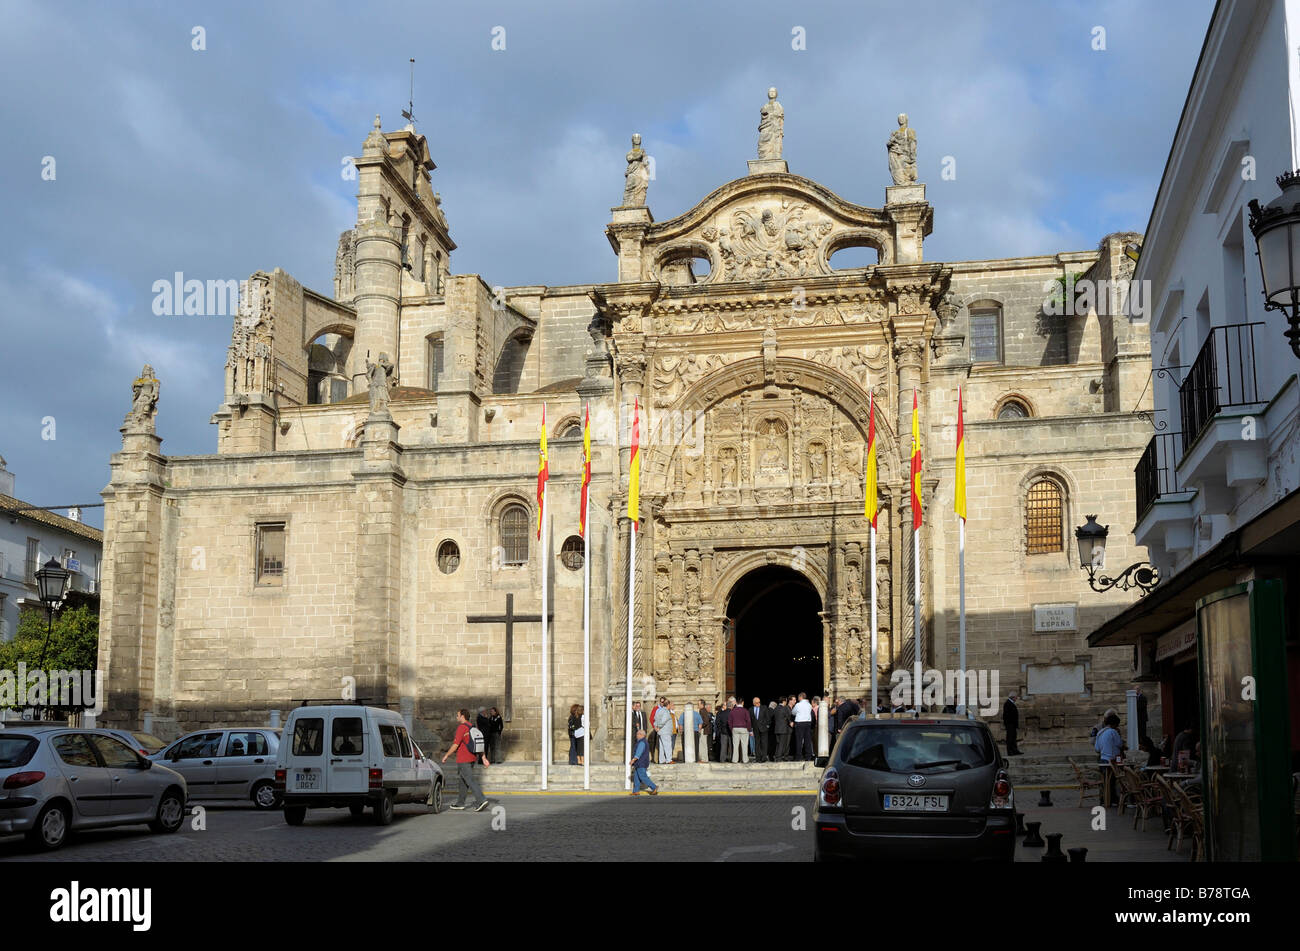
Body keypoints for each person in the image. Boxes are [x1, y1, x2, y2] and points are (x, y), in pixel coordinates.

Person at [442, 708, 492, 812]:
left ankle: (481, 800)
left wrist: (446, 755)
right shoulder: (472, 727)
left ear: (462, 716)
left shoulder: (461, 728)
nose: (456, 717)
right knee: (463, 781)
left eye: (457, 715)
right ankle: (460, 803)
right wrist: (483, 757)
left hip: (463, 759)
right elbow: (479, 743)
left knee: (469, 779)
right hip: (472, 758)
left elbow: (455, 745)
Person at [629, 729, 658, 796]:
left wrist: (633, 760)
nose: (636, 735)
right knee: (636, 777)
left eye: (637, 734)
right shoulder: (642, 742)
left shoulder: (641, 743)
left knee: (642, 776)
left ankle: (654, 787)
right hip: (639, 763)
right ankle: (636, 791)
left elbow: (638, 753)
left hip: (641, 763)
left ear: (641, 735)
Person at [728, 697, 753, 763]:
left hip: (735, 728)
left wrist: (732, 729)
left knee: (735, 745)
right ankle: (745, 760)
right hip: (744, 729)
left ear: (736, 703)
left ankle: (735, 760)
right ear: (743, 703)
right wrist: (750, 730)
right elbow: (748, 721)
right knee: (744, 745)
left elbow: (729, 721)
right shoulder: (745, 711)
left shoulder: (732, 711)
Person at [793, 692, 814, 760]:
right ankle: (808, 756)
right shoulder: (809, 705)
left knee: (799, 740)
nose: (798, 698)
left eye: (798, 697)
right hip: (807, 723)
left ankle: (798, 756)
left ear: (801, 697)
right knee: (807, 740)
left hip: (799, 724)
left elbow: (793, 712)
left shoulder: (798, 705)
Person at [653, 699, 673, 766]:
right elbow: (663, 721)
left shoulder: (659, 710)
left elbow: (655, 718)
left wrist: (656, 726)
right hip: (665, 731)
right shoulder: (666, 712)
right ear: (668, 705)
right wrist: (658, 727)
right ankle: (669, 760)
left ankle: (662, 760)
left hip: (661, 732)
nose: (671, 706)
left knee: (661, 747)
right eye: (671, 704)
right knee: (667, 745)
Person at [773, 695, 793, 761]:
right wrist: (790, 722)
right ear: (784, 701)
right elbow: (788, 717)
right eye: (786, 701)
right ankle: (779, 758)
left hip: (776, 729)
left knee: (778, 744)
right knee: (782, 744)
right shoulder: (784, 708)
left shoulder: (775, 708)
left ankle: (776, 756)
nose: (786, 703)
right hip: (783, 729)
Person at [755, 697, 773, 762]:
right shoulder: (751, 709)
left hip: (764, 729)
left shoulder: (764, 708)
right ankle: (758, 758)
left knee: (764, 743)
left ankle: (764, 757)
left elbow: (768, 718)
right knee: (757, 744)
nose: (758, 703)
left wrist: (767, 726)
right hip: (755, 729)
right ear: (754, 703)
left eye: (759, 702)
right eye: (756, 702)